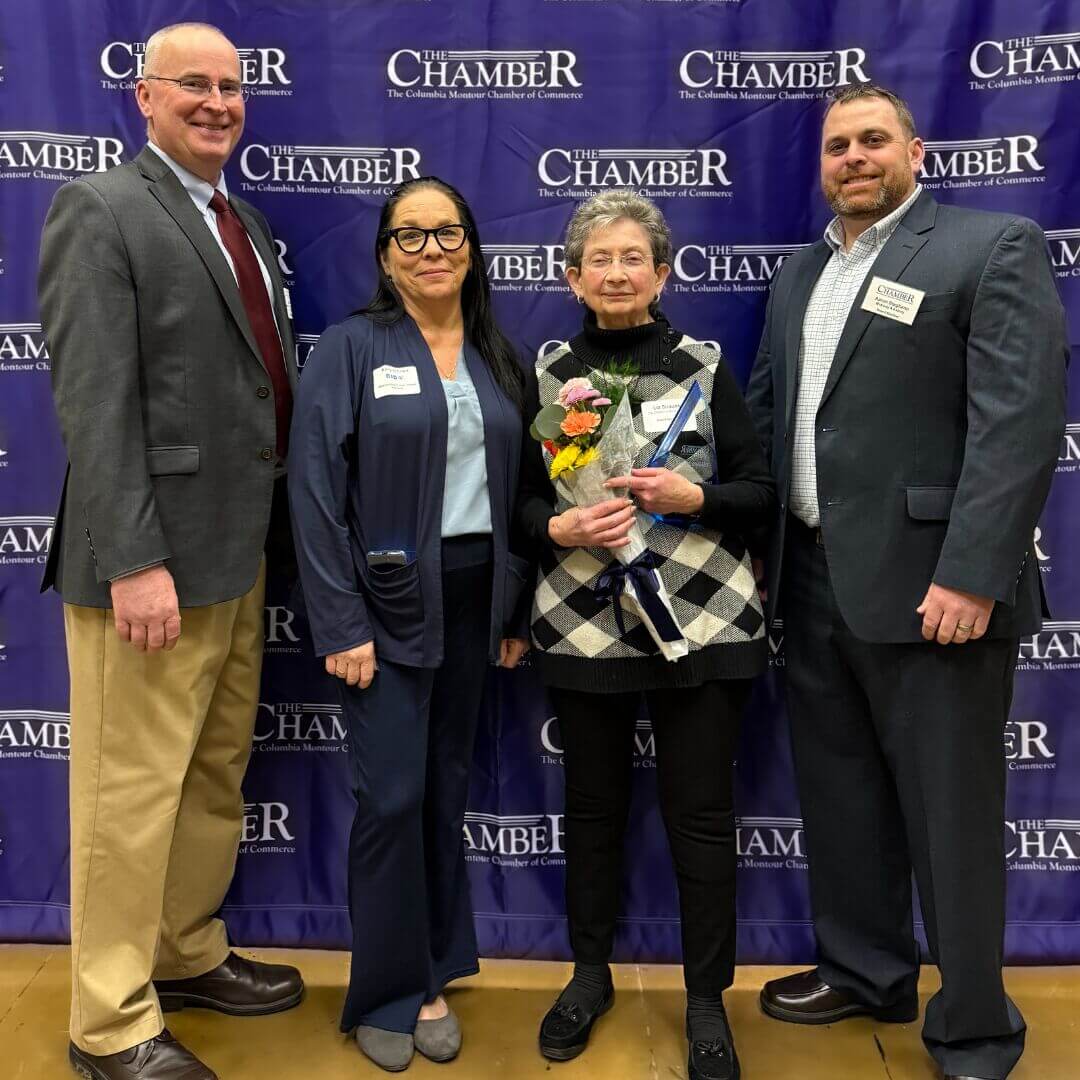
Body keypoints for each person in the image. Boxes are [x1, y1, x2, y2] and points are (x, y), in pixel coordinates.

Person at [746, 84, 1068, 1080]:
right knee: (843, 800)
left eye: (872, 140)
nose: (853, 157)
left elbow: (1019, 426)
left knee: (952, 817)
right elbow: (768, 412)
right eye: (838, 145)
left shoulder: (991, 246)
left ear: (915, 152)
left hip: (939, 594)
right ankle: (864, 970)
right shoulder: (803, 272)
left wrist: (973, 573)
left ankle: (974, 1025)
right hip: (812, 581)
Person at [38, 21, 304, 1080]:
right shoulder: (100, 209)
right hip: (148, 566)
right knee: (127, 793)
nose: (216, 101)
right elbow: (96, 404)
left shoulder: (242, 222)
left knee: (209, 775)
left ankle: (183, 951)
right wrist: (134, 560)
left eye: (232, 86)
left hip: (237, 557)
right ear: (143, 97)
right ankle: (106, 1021)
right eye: (191, 83)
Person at [517, 189, 775, 1080]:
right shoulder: (547, 377)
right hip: (584, 624)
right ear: (571, 277)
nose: (617, 272)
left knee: (700, 820)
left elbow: (759, 493)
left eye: (635, 257)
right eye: (600, 259)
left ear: (662, 273)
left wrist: (694, 496)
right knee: (591, 815)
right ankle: (589, 977)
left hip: (703, 621)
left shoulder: (704, 367)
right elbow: (517, 507)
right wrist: (554, 530)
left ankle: (706, 1000)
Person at [288, 176, 531, 1072]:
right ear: (385, 255)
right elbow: (314, 496)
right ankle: (389, 990)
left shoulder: (501, 353)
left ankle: (434, 972)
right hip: (383, 607)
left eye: (448, 232)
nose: (431, 249)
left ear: (471, 245)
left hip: (474, 599)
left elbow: (518, 497)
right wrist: (340, 622)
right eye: (409, 235)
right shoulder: (353, 348)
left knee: (443, 788)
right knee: (390, 799)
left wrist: (511, 611)